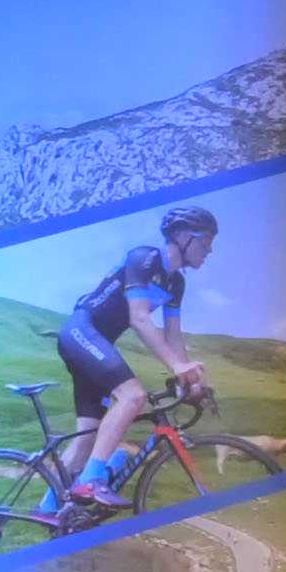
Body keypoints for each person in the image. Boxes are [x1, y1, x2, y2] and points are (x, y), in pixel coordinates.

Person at [59, 207, 220, 510]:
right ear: (183, 237)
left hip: (95, 345)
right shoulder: (144, 258)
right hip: (82, 331)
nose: (210, 249)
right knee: (133, 396)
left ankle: (50, 513)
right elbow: (140, 318)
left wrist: (189, 378)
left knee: (87, 438)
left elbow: (173, 336)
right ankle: (89, 482)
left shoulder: (176, 284)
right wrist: (177, 366)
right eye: (206, 241)